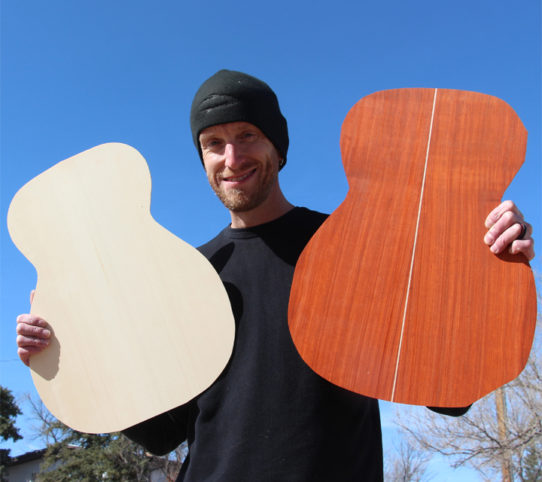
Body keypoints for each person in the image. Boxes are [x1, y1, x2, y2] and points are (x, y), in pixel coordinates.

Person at [16, 70, 535, 481]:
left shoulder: (360, 248)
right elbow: (163, 433)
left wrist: (486, 271)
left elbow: (449, 393)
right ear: (201, 159)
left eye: (247, 135)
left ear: (277, 147)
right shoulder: (184, 275)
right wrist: (72, 353)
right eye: (214, 143)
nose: (232, 157)